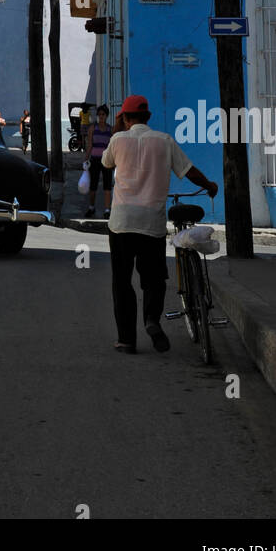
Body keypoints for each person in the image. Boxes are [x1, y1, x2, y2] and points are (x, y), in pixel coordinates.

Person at [101, 93, 218, 355]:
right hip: (150, 223)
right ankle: (152, 320)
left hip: (121, 222)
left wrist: (118, 129)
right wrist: (209, 185)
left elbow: (106, 162)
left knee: (122, 281)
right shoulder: (164, 141)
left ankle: (126, 340)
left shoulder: (117, 140)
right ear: (148, 117)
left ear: (125, 117)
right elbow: (190, 171)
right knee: (153, 279)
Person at [82, 104, 113, 219]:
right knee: (93, 185)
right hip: (94, 160)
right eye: (99, 115)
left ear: (107, 116)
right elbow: (89, 145)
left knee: (107, 186)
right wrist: (86, 159)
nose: (101, 117)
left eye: (103, 115)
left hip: (107, 161)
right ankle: (91, 207)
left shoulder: (110, 130)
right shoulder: (92, 129)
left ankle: (106, 210)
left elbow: (111, 147)